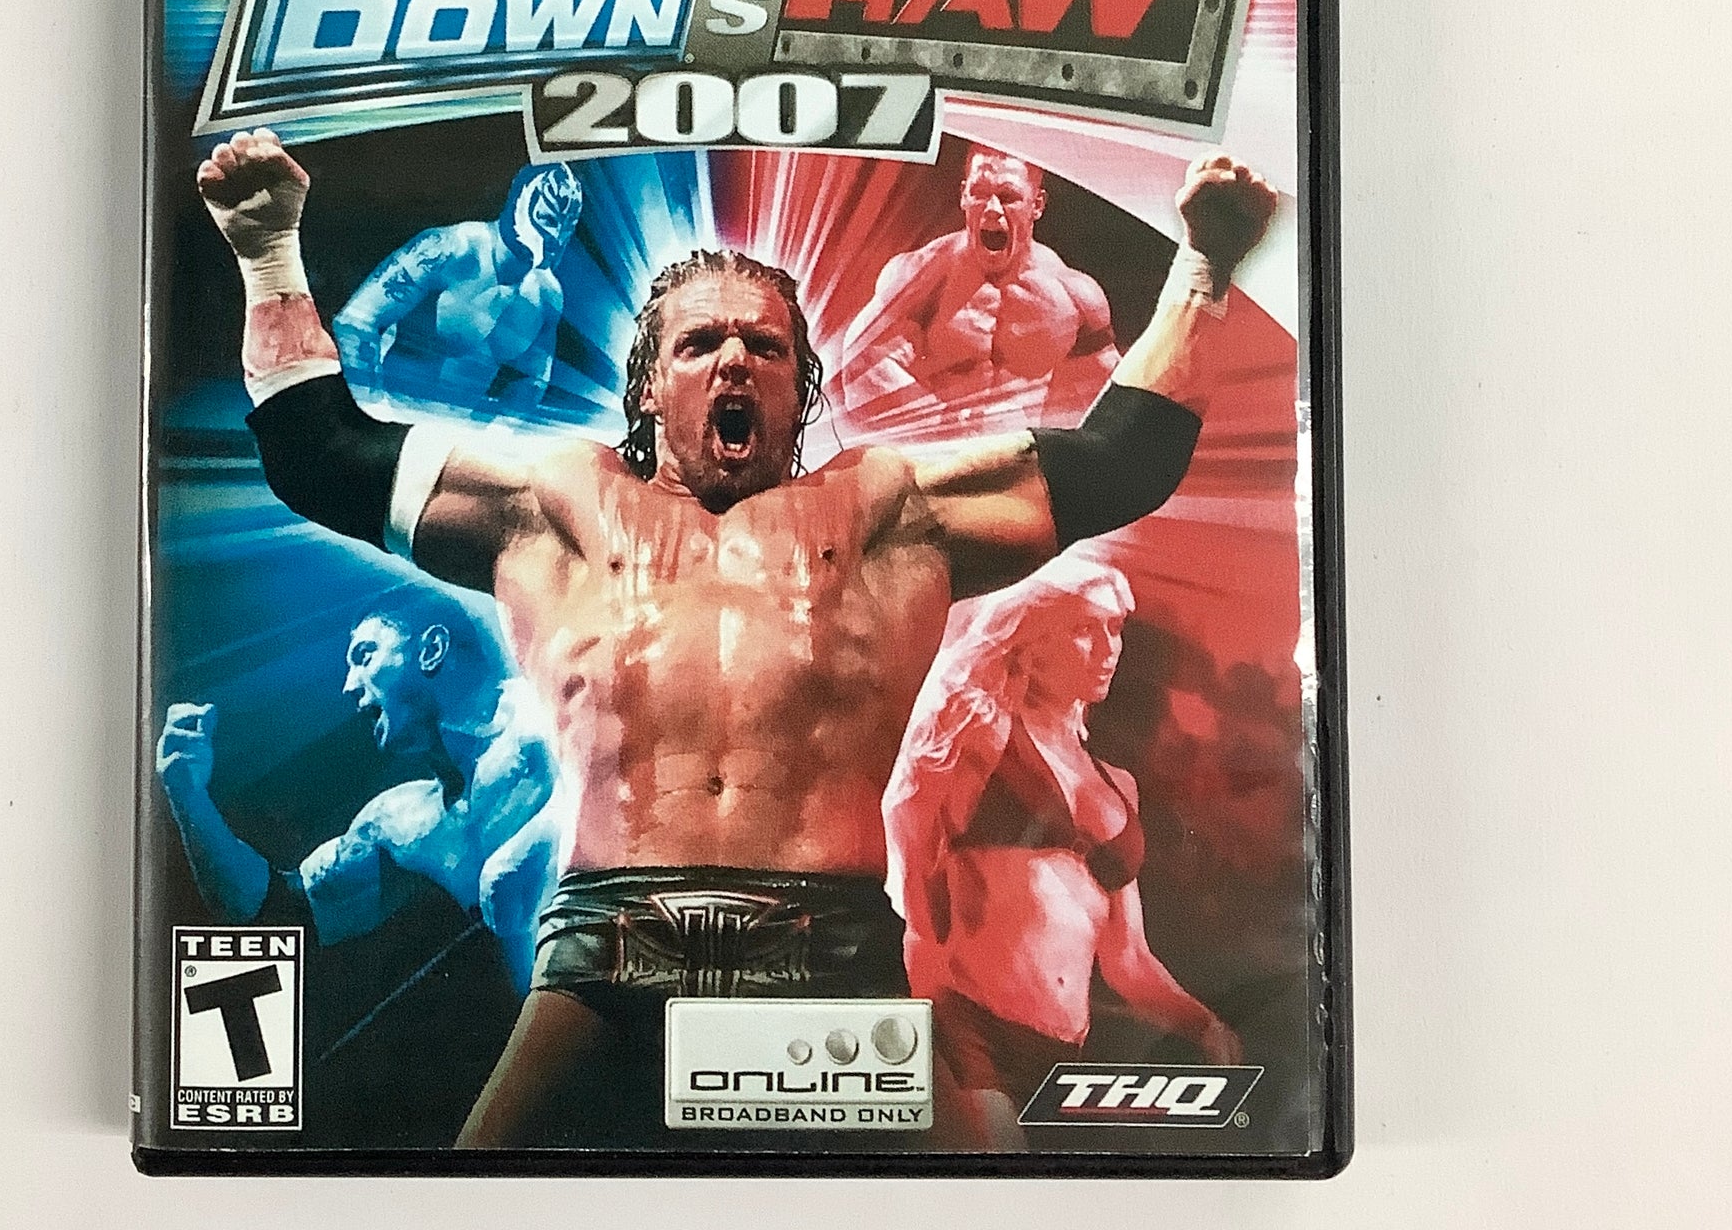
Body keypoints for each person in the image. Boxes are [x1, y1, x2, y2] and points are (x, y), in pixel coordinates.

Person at [194, 123, 1274, 1146]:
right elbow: (321, 453)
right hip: (607, 942)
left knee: (963, 1209)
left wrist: (1204, 264)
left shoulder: (889, 510)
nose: (733, 362)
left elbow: (1123, 459)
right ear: (648, 384)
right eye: (700, 342)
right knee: (478, 1204)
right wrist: (266, 248)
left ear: (799, 388)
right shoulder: (554, 508)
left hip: (828, 937)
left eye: (763, 345)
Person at [883, 556, 1238, 1148]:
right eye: (1084, 629)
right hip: (970, 1029)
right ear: (1032, 639)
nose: (1107, 649)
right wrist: (931, 993)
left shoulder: (1119, 786)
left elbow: (1128, 960)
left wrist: (1203, 1024)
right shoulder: (982, 738)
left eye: (1115, 629)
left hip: (1063, 1053)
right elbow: (911, 836)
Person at [155, 602, 562, 992]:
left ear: (432, 649)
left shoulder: (551, 711)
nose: (349, 685)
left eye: (365, 655)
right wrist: (189, 798)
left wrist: (541, 841)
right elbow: (275, 912)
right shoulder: (401, 820)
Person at [838, 149, 1117, 421]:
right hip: (933, 447)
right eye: (979, 194)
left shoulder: (1076, 298)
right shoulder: (920, 275)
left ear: (1037, 205)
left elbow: (1109, 405)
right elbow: (859, 365)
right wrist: (944, 428)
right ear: (964, 196)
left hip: (1022, 448)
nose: (992, 209)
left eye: (1008, 197)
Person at [332, 163, 584, 416]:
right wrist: (375, 409)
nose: (557, 237)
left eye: (567, 226)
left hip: (451, 433)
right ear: (521, 202)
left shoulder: (547, 295)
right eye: (549, 219)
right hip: (391, 419)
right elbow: (356, 320)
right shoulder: (448, 248)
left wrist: (498, 433)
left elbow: (531, 379)